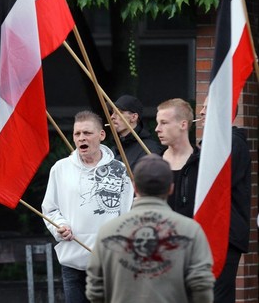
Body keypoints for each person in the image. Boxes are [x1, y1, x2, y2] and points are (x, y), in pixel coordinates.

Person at [85, 154, 215, 303]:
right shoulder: (191, 231)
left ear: (134, 187)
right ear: (171, 188)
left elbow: (95, 290)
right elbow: (202, 287)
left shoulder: (107, 232)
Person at [42, 110, 134, 303]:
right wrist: (59, 227)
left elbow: (130, 212)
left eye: (87, 133)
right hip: (73, 261)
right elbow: (50, 209)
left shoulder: (121, 170)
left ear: (101, 135)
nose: (81, 138)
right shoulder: (60, 168)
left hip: (110, 263)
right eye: (77, 134)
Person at [199, 97, 252, 303]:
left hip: (225, 233)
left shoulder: (231, 143)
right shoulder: (217, 142)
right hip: (215, 232)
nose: (201, 112)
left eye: (207, 108)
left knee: (217, 296)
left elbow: (216, 185)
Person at [155, 98, 199, 218]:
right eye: (158, 123)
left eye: (164, 123)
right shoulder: (154, 164)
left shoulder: (202, 164)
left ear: (183, 124)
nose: (157, 129)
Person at [109, 95, 162, 169]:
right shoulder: (112, 151)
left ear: (133, 117)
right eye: (112, 112)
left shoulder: (149, 150)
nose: (112, 117)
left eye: (119, 112)